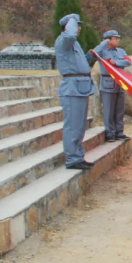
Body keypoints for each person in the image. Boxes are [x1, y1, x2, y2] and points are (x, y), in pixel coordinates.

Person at [55, 14, 98, 170]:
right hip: (72, 89)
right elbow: (70, 35)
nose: (79, 28)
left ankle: (78, 156)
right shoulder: (64, 40)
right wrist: (71, 23)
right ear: (68, 27)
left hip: (80, 87)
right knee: (73, 125)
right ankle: (72, 158)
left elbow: (80, 64)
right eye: (76, 25)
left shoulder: (74, 43)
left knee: (79, 126)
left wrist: (90, 57)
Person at [93, 30, 132, 142]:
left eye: (118, 38)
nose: (118, 40)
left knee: (120, 109)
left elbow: (128, 61)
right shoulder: (102, 52)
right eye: (115, 38)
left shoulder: (121, 51)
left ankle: (119, 131)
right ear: (108, 40)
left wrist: (116, 62)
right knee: (109, 110)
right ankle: (110, 133)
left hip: (120, 82)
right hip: (108, 82)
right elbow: (95, 53)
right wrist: (104, 43)